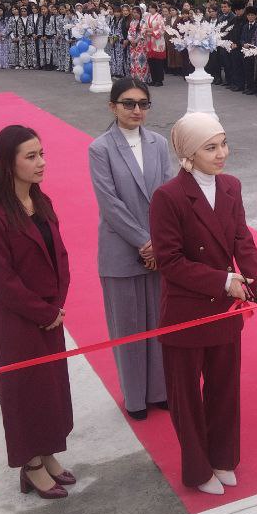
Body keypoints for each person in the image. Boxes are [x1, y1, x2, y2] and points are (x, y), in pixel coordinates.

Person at [149, 113, 257, 495]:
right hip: (186, 311)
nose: (222, 153)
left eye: (223, 143)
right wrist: (223, 281)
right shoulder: (169, 196)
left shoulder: (231, 187)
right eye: (210, 147)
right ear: (189, 153)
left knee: (224, 389)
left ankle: (223, 458)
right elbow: (170, 261)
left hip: (224, 310)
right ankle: (197, 469)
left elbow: (242, 241)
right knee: (186, 398)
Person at [0, 126, 75, 499]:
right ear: (8, 163)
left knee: (51, 388)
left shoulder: (41, 201)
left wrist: (57, 303)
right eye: (31, 157)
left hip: (51, 313)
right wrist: (42, 312)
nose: (41, 162)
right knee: (26, 392)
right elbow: (3, 282)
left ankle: (47, 452)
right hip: (19, 321)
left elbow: (60, 255)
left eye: (41, 154)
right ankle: (30, 465)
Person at [89, 78, 172, 420]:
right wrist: (144, 242)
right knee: (128, 327)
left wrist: (159, 242)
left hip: (159, 249)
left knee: (159, 322)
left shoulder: (159, 143)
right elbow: (110, 204)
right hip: (121, 250)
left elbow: (167, 194)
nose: (136, 110)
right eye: (128, 103)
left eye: (142, 103)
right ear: (113, 106)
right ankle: (135, 397)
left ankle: (160, 390)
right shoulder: (100, 148)